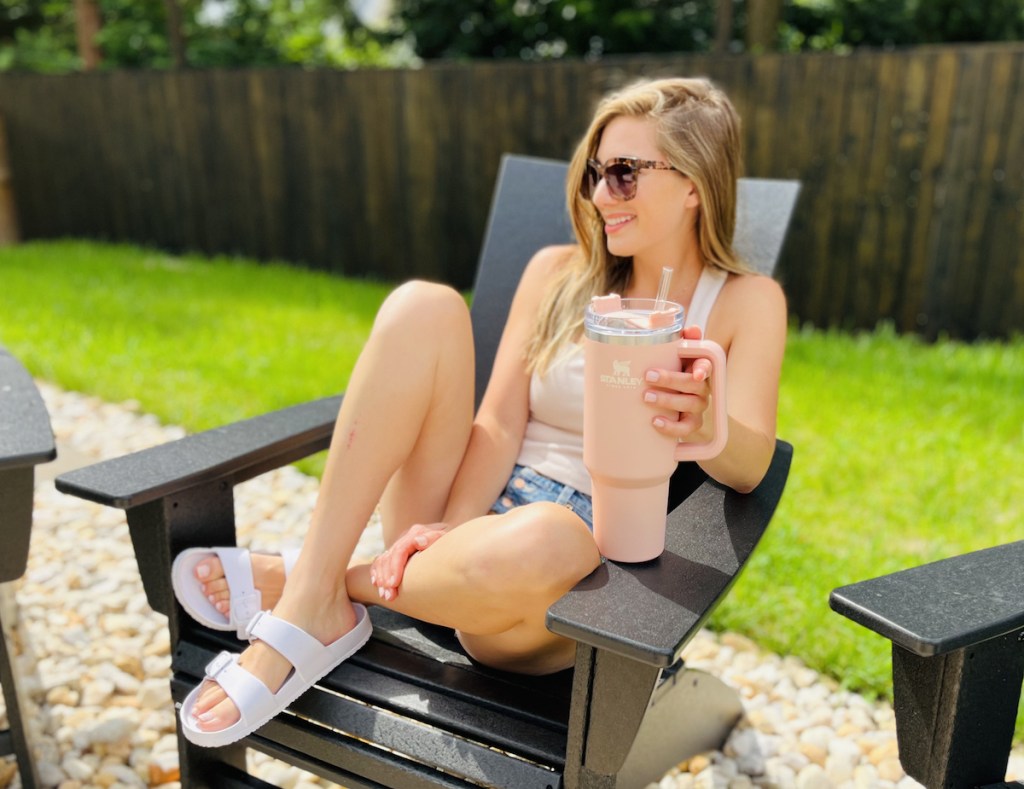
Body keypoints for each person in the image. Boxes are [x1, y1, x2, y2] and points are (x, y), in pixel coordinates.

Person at [173, 76, 787, 747]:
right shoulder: (558, 273)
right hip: (462, 520)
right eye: (595, 174)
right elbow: (497, 425)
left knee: (548, 535)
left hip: (561, 581)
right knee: (423, 304)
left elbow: (754, 466)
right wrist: (449, 528)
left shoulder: (746, 301)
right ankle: (319, 595)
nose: (600, 195)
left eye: (624, 173)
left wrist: (709, 425)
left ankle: (318, 583)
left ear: (693, 183)